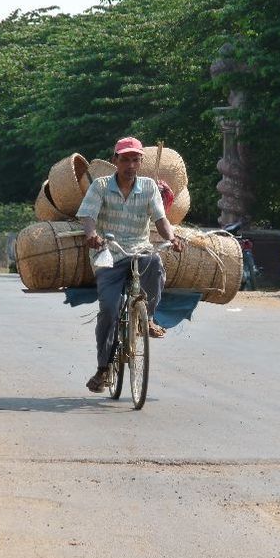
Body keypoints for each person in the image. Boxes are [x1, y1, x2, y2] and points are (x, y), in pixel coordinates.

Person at [77, 136, 184, 393]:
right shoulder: (101, 186)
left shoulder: (149, 187)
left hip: (139, 249)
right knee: (109, 311)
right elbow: (87, 215)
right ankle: (103, 369)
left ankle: (147, 318)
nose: (130, 164)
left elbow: (160, 218)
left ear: (141, 162)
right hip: (109, 253)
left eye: (135, 159)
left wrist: (172, 237)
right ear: (115, 160)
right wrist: (92, 234)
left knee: (155, 263)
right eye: (125, 159)